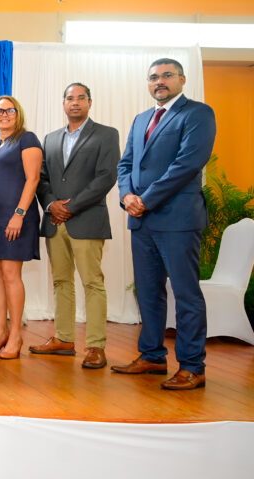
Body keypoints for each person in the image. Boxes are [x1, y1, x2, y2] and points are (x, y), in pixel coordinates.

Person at [113, 58, 216, 390]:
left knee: (185, 294)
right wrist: (127, 196)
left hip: (178, 219)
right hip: (141, 221)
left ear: (182, 80)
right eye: (154, 77)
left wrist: (147, 199)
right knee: (148, 293)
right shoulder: (142, 118)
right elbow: (126, 163)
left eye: (167, 75)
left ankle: (192, 366)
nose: (160, 81)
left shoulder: (197, 114)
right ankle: (152, 356)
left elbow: (188, 164)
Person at [30, 83, 119, 369]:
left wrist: (71, 206)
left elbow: (106, 178)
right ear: (63, 103)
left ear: (90, 103)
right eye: (70, 98)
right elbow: (41, 179)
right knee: (61, 281)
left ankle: (95, 346)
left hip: (87, 220)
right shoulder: (51, 138)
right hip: (55, 221)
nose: (75, 102)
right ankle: (64, 339)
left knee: (92, 282)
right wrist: (51, 204)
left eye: (81, 98)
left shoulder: (106, 134)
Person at [0, 95, 42, 360]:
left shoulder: (27, 139)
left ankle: (16, 334)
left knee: (10, 272)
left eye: (9, 110)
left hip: (16, 215)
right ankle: (0, 332)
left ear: (18, 113)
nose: (3, 114)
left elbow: (33, 179)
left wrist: (19, 214)